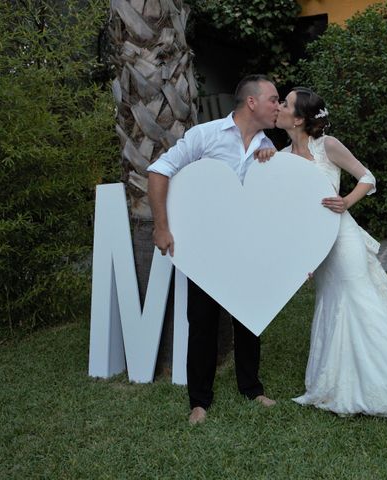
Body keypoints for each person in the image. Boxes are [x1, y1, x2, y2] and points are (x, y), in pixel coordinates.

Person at [270, 87, 387, 417]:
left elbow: (367, 177)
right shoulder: (280, 158)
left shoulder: (327, 146)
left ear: (300, 118)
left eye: (285, 103)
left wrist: (346, 201)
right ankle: (336, 383)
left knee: (358, 298)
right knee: (332, 302)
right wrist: (298, 255)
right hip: (316, 244)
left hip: (342, 236)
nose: (278, 106)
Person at [147, 74, 280, 425]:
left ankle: (252, 388)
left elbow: (273, 201)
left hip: (247, 248)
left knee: (250, 319)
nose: (278, 106)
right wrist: (162, 227)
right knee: (202, 323)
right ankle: (199, 401)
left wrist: (272, 163)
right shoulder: (205, 136)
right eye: (273, 99)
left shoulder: (269, 146)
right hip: (206, 249)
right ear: (252, 102)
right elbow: (160, 171)